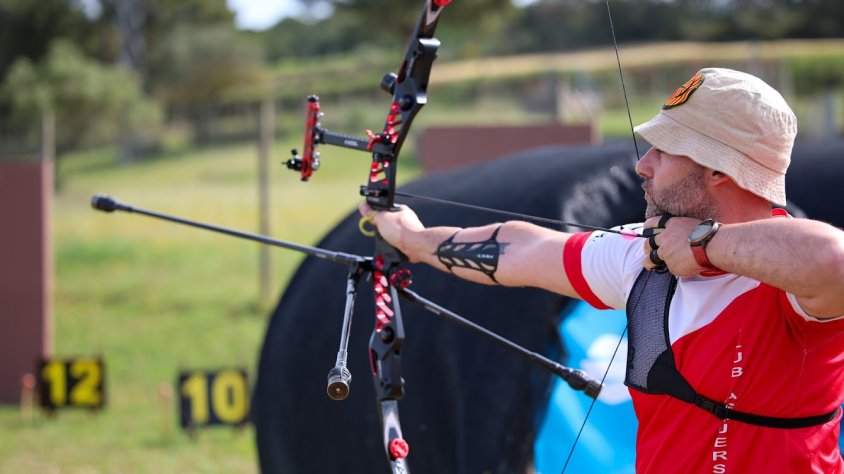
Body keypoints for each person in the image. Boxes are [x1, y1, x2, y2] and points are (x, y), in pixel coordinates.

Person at [359, 67, 844, 473]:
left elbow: (833, 260)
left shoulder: (792, 282)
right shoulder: (645, 257)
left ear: (718, 171)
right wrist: (415, 240)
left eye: (665, 151)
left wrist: (702, 245)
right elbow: (521, 250)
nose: (643, 166)